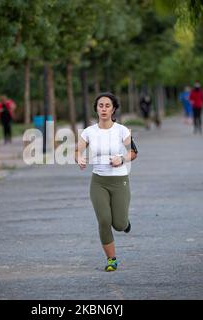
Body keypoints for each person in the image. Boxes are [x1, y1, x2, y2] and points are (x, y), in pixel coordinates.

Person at [76, 92, 138, 272]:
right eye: (100, 105)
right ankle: (111, 259)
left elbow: (133, 152)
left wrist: (122, 158)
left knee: (118, 224)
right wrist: (79, 158)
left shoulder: (121, 130)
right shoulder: (89, 132)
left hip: (120, 181)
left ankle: (125, 224)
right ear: (96, 109)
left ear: (113, 109)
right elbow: (77, 151)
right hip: (98, 182)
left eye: (107, 106)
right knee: (104, 220)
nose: (103, 109)